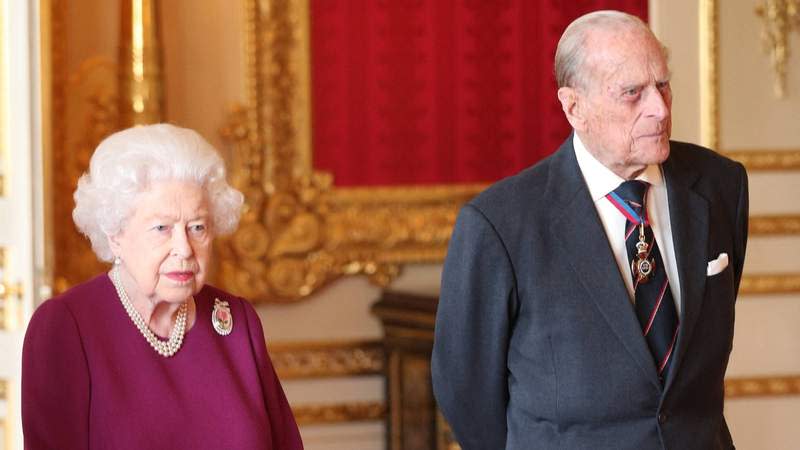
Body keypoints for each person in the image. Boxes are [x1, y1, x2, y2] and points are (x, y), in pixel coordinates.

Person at [432, 10, 748, 450]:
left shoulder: (720, 186)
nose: (658, 109)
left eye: (662, 85)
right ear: (574, 107)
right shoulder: (499, 225)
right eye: (632, 93)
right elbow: (465, 394)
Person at [22, 124, 303, 449]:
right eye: (162, 228)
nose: (184, 248)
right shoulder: (66, 327)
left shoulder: (237, 321)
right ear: (115, 235)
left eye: (197, 227)